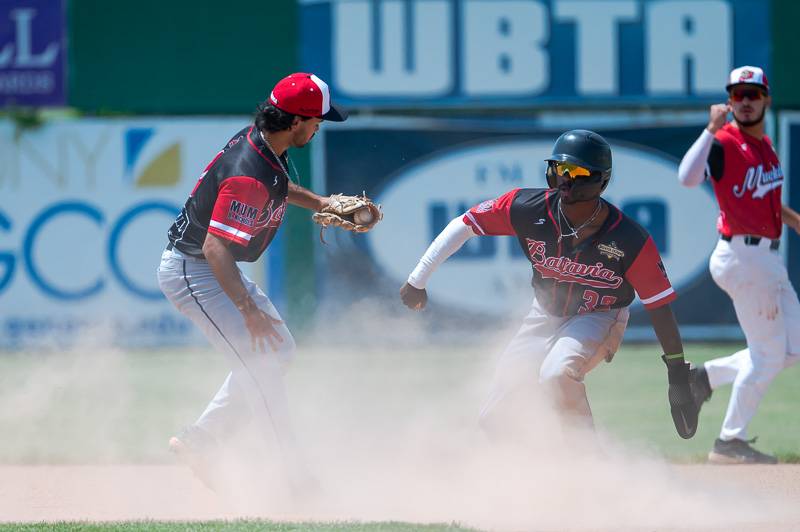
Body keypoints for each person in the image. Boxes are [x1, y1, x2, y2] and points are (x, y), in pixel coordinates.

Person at [400, 130, 698, 442]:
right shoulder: (528, 207)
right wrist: (418, 279)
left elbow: (659, 306)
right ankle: (535, 475)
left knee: (555, 374)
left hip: (599, 316)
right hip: (543, 314)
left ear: (601, 180)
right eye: (559, 169)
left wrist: (676, 371)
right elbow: (465, 224)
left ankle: (590, 464)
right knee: (494, 418)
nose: (566, 179)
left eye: (577, 172)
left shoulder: (628, 239)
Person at [157, 73, 378, 492]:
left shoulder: (263, 142)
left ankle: (200, 439)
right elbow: (215, 249)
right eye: (317, 121)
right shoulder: (249, 172)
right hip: (193, 271)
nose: (319, 127)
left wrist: (320, 202)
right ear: (296, 121)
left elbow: (276, 187)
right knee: (262, 365)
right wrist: (248, 310)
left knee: (278, 352)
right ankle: (291, 474)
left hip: (203, 267)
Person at [678, 66, 800, 464]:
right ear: (729, 102)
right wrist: (710, 129)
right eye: (738, 94)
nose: (745, 101)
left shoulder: (764, 146)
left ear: (766, 98)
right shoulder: (725, 142)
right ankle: (730, 441)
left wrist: (794, 220)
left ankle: (704, 378)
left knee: (792, 349)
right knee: (768, 355)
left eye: (752, 93)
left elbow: (763, 201)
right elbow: (687, 177)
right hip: (743, 258)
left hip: (766, 257)